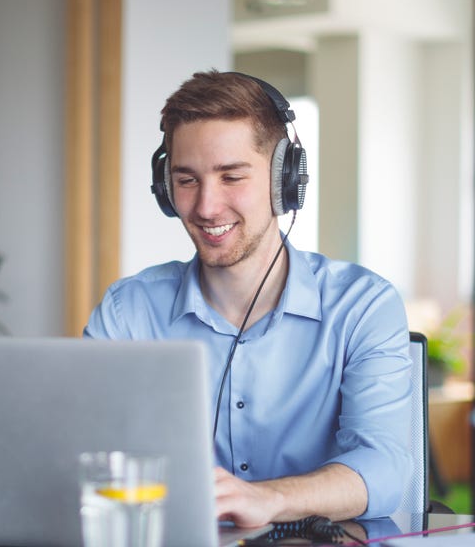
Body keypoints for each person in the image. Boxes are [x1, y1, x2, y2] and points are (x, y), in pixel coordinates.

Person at [83, 70, 412, 527]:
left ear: (284, 180)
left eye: (232, 176)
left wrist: (268, 499)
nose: (206, 207)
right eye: (186, 180)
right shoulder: (128, 312)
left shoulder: (362, 306)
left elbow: (385, 469)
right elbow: (83, 455)